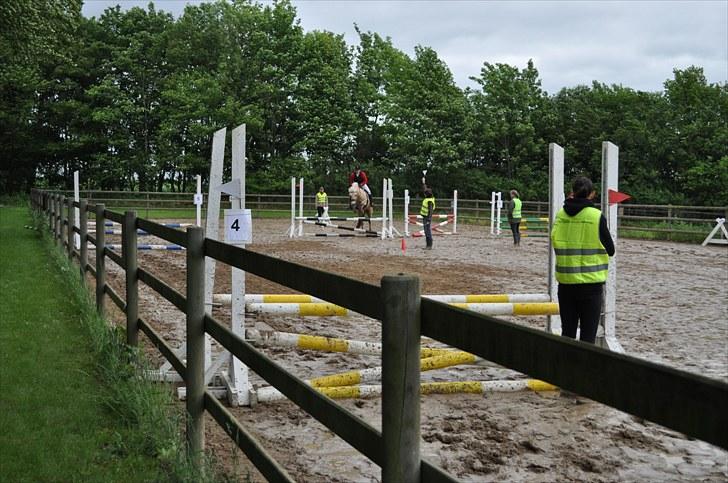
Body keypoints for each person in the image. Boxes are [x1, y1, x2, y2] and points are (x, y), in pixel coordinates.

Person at [551, 176, 615, 344]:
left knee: (568, 335)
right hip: (591, 287)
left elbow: (555, 240)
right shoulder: (596, 216)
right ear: (592, 194)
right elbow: (611, 250)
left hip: (566, 284)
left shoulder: (560, 215)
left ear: (572, 192)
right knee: (588, 338)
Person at [420, 184, 435, 250]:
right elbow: (425, 189)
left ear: (426, 195)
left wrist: (429, 219)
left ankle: (429, 245)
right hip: (425, 217)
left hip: (427, 218)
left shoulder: (429, 201)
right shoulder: (429, 198)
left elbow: (430, 211)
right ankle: (428, 245)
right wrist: (424, 184)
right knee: (426, 231)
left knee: (427, 231)